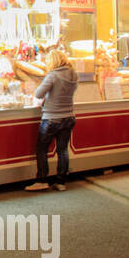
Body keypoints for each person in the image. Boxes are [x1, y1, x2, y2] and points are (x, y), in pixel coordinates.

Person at [26, 48, 78, 191]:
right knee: (63, 150)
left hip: (52, 118)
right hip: (69, 117)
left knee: (41, 149)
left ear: (53, 61)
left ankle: (42, 180)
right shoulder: (73, 74)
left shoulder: (53, 76)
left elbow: (38, 93)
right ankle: (61, 182)